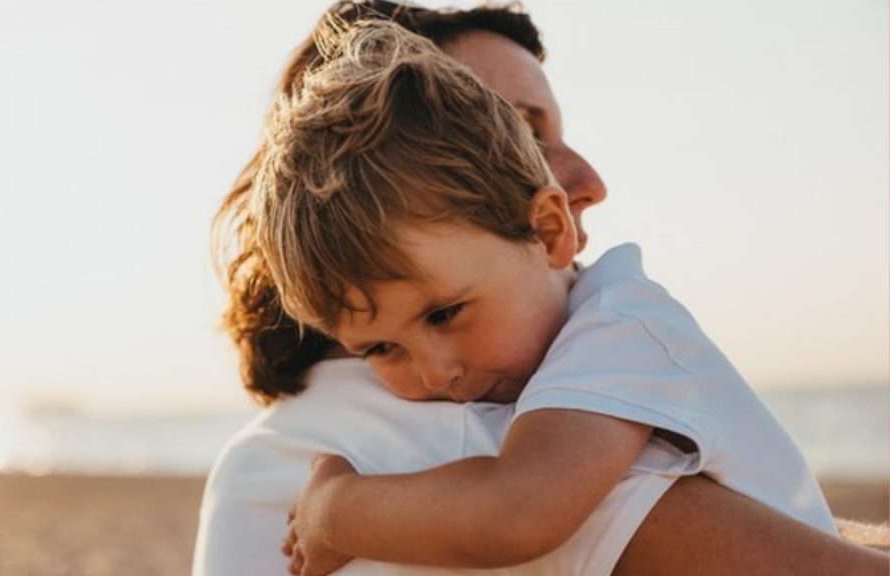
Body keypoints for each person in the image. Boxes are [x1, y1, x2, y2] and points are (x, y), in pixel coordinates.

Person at [192, 3, 888, 575]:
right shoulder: (448, 431)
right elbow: (518, 509)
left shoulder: (609, 331)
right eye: (517, 128)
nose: (588, 178)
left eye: (445, 313)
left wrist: (337, 509)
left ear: (544, 228)